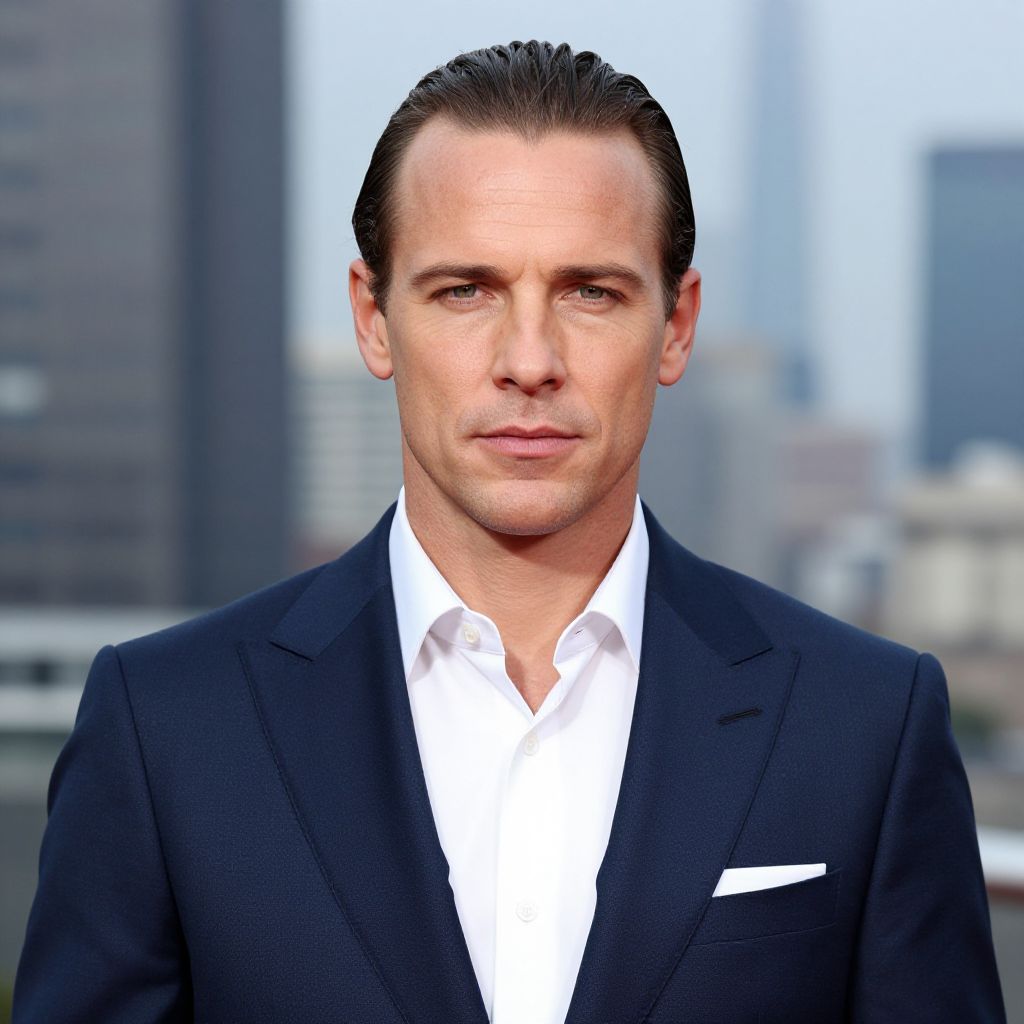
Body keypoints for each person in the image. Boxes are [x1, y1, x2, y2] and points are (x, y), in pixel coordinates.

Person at [14, 39, 1004, 1024]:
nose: (529, 360)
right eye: (465, 290)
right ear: (372, 317)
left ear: (675, 325)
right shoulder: (167, 727)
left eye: (590, 291)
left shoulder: (864, 723)